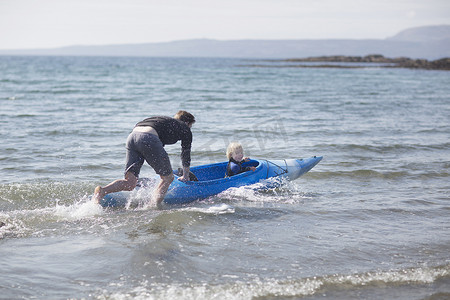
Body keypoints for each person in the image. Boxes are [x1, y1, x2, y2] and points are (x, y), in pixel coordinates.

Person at [92, 110, 195, 208]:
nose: (190, 128)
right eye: (191, 126)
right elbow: (185, 154)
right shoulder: (184, 128)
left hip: (132, 136)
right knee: (168, 178)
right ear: (186, 122)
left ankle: (102, 191)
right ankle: (153, 207)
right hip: (148, 137)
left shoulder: (165, 121)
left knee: (130, 183)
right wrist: (185, 176)